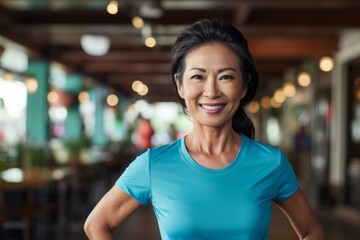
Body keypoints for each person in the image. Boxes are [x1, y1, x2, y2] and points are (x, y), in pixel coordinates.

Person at [84, 19, 324, 239]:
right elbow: (96, 224)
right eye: (198, 77)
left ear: (243, 86)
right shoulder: (153, 165)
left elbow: (312, 231)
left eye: (226, 77)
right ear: (180, 85)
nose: (211, 91)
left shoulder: (271, 162)